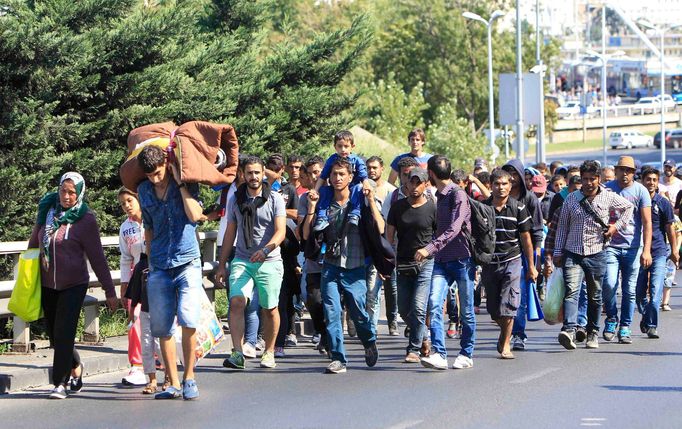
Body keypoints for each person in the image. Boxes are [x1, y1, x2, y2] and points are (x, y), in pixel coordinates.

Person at [28, 172, 118, 399]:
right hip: (48, 283)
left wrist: (109, 291)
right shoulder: (48, 211)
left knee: (64, 331)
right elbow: (34, 242)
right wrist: (25, 268)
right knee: (55, 336)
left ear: (79, 193)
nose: (66, 196)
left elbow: (97, 257)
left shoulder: (85, 219)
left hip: (74, 284)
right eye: (63, 191)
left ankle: (60, 383)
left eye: (72, 192)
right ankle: (76, 367)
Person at [137, 145, 205, 400]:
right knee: (162, 327)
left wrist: (180, 184)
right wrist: (150, 259)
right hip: (159, 264)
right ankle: (173, 382)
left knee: (188, 320)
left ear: (166, 164)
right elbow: (149, 227)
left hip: (187, 261)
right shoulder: (143, 191)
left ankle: (190, 377)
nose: (155, 178)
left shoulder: (185, 182)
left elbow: (196, 215)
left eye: (158, 172)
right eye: (150, 175)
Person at [302, 157, 381, 374]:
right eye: (334, 174)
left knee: (358, 310)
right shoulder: (324, 200)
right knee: (332, 312)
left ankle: (369, 339)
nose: (337, 178)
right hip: (330, 265)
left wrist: (372, 201)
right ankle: (338, 358)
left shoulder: (360, 198)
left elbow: (381, 228)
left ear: (351, 177)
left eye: (342, 174)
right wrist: (311, 208)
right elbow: (307, 234)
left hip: (355, 266)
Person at [552, 160, 634, 350]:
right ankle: (570, 329)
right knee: (572, 291)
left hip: (597, 253)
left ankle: (592, 332)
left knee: (595, 296)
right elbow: (562, 228)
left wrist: (615, 227)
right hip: (573, 253)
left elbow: (628, 208)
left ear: (598, 179)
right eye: (585, 179)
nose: (588, 183)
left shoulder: (608, 197)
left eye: (592, 179)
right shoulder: (571, 199)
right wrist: (558, 252)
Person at [216, 156, 287, 370]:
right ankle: (237, 353)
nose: (254, 177)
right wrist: (221, 265)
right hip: (242, 259)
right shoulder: (235, 200)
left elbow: (280, 231)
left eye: (257, 172)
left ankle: (269, 351)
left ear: (263, 172)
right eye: (249, 173)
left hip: (269, 260)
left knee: (269, 308)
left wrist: (266, 250)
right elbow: (230, 233)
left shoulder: (275, 199)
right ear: (243, 174)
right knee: (237, 301)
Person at [416, 156, 476, 370]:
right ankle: (439, 354)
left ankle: (466, 353)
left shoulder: (458, 194)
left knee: (466, 310)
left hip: (462, 259)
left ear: (431, 173)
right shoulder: (438, 195)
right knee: (434, 304)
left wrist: (429, 248)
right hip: (441, 261)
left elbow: (455, 228)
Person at [481, 169, 537, 359]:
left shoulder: (518, 208)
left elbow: (526, 239)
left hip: (512, 261)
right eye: (497, 184)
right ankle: (504, 333)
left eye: (505, 184)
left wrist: (531, 266)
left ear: (510, 185)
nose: (501, 187)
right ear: (490, 185)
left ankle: (506, 344)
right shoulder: (483, 207)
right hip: (489, 263)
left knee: (510, 305)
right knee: (494, 310)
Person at [386, 167, 436, 363]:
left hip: (425, 263)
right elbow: (388, 238)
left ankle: (413, 348)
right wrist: (387, 262)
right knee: (403, 308)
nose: (414, 186)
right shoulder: (398, 207)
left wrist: (429, 251)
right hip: (403, 264)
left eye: (418, 182)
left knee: (418, 307)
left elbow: (439, 237)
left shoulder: (432, 208)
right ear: (405, 184)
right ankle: (424, 336)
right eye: (411, 182)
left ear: (425, 185)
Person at [602, 155, 652, 344]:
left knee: (629, 290)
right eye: (622, 169)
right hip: (611, 247)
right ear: (616, 171)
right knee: (609, 284)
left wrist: (646, 250)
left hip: (632, 247)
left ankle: (625, 326)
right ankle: (612, 318)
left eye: (629, 171)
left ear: (633, 173)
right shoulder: (607, 189)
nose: (625, 174)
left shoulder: (641, 191)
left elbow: (647, 223)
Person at [502, 160, 544, 351]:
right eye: (507, 172)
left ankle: (518, 334)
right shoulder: (498, 197)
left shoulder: (530, 199)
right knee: (499, 299)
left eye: (515, 173)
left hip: (522, 254)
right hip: (500, 253)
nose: (511, 177)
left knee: (518, 295)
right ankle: (506, 332)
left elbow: (536, 230)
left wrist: (535, 260)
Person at [636, 167, 679, 338]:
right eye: (648, 179)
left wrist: (674, 250)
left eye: (654, 180)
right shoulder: (636, 201)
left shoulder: (663, 203)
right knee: (638, 295)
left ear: (657, 181)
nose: (651, 183)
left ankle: (652, 325)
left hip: (659, 252)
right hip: (639, 252)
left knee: (655, 292)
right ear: (642, 181)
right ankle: (647, 316)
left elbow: (670, 229)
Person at [118, 187, 152, 388]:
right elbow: (125, 258)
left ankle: (161, 361)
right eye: (123, 204)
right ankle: (137, 365)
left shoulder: (152, 218)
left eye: (129, 201)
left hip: (158, 274)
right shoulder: (125, 228)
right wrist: (124, 286)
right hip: (137, 280)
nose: (127, 206)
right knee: (135, 318)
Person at [365, 155, 398, 335]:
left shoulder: (390, 191)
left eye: (375, 167)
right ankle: (367, 326)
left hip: (387, 245)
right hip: (366, 247)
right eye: (369, 167)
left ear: (382, 168)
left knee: (391, 288)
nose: (372, 171)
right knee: (370, 290)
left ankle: (392, 320)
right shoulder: (361, 189)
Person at [298, 156, 328, 354]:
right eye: (312, 173)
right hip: (313, 258)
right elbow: (305, 234)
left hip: (335, 258)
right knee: (313, 299)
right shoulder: (304, 199)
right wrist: (311, 208)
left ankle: (329, 339)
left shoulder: (335, 195)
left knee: (333, 302)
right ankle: (322, 331)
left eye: (319, 172)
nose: (316, 176)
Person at [311, 130, 370, 229]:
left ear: (352, 146)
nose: (343, 149)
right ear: (335, 147)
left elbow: (363, 175)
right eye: (340, 146)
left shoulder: (356, 160)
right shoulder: (332, 159)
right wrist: (316, 190)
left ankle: (355, 215)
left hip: (352, 187)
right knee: (324, 191)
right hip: (335, 187)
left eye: (346, 146)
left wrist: (366, 184)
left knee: (358, 188)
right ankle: (322, 218)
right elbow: (323, 176)